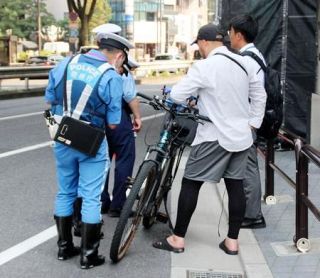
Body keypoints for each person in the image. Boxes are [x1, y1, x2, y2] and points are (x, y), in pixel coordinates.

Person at [152, 23, 266, 255]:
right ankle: (232, 242)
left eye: (199, 45)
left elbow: (177, 95)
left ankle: (177, 239)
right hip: (242, 136)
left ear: (204, 42)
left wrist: (194, 100)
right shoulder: (245, 63)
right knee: (235, 186)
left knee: (191, 183)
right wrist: (253, 124)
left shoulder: (204, 66)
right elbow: (259, 95)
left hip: (213, 136)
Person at [45, 32, 133, 269]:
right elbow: (114, 122)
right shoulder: (110, 76)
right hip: (90, 141)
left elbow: (50, 98)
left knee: (65, 191)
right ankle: (88, 255)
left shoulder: (66, 62)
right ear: (119, 56)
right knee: (91, 195)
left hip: (61, 135)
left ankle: (64, 248)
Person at [229, 14, 267, 229]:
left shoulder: (246, 59)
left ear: (239, 35)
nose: (229, 36)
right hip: (249, 121)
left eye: (230, 32)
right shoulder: (254, 54)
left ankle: (253, 216)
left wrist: (252, 124)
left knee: (249, 169)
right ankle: (249, 212)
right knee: (246, 168)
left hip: (248, 122)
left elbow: (257, 95)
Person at [101, 56, 142, 217]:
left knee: (101, 161)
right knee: (125, 159)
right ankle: (118, 205)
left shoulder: (100, 70)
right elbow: (130, 97)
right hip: (119, 119)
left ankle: (101, 202)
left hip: (99, 119)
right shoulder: (123, 74)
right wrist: (137, 117)